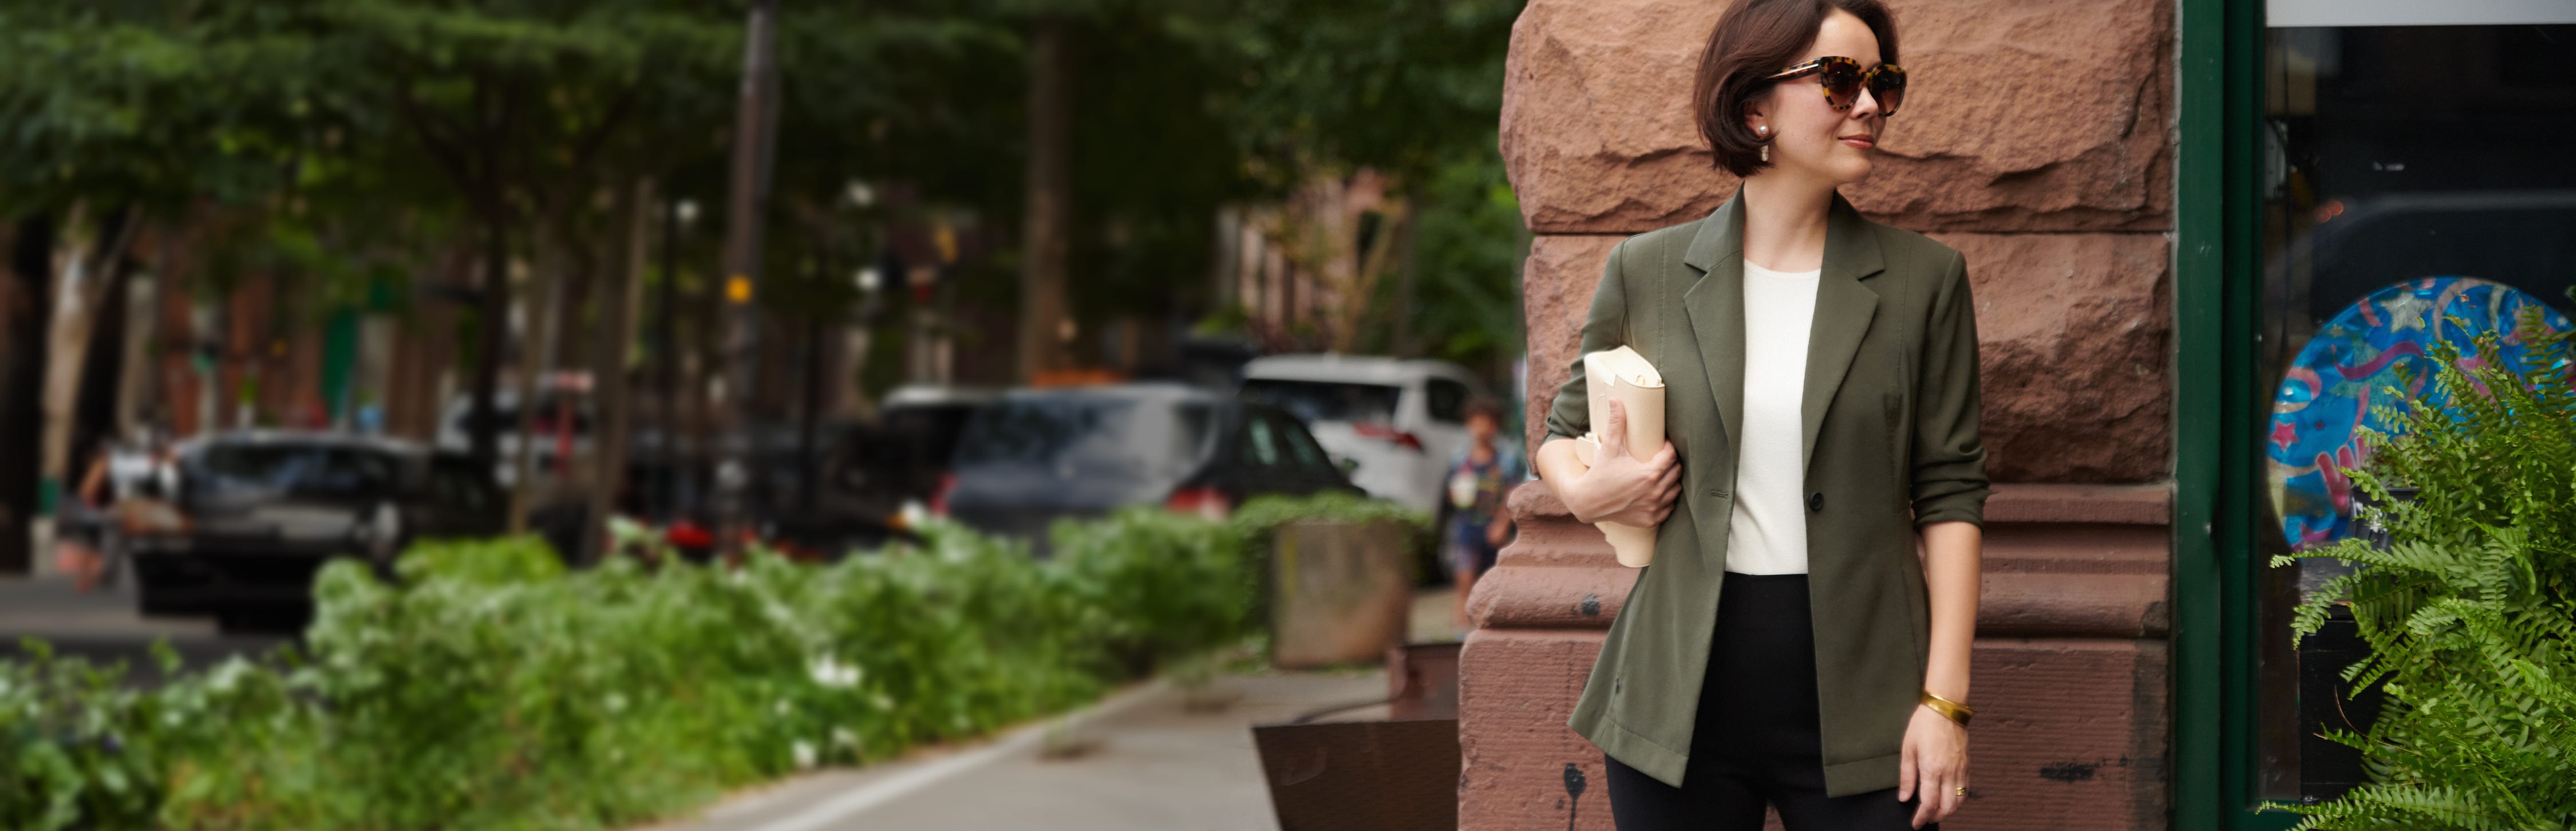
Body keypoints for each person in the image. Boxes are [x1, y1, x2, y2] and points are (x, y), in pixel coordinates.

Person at [1529, 1, 1986, 828]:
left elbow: (1951, 494)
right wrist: (1587, 494)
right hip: (1677, 695)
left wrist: (1944, 702)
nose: (1871, 107)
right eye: (1841, 82)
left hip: (1869, 695)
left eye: (1883, 83)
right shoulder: (1648, 270)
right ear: (1754, 107)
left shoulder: (1927, 281)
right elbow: (1563, 436)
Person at [1446, 396, 1526, 628]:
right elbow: (1451, 493)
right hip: (1466, 528)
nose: (1482, 429)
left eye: (1487, 423)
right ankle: (1461, 636)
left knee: (1494, 582)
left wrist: (1502, 524)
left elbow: (1512, 493)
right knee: (1464, 581)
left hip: (1494, 529)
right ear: (1468, 424)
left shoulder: (1507, 459)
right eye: (1477, 422)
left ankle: (1492, 631)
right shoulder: (1460, 459)